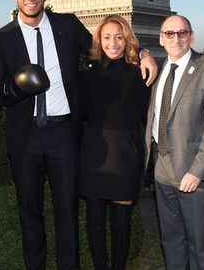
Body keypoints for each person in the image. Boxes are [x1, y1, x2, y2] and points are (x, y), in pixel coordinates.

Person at [0, 0, 158, 269]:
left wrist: (143, 53)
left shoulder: (67, 25)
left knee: (67, 211)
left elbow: (109, 43)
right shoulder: (1, 38)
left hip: (64, 133)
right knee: (30, 211)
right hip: (25, 137)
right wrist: (17, 88)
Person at [144, 15, 204, 270]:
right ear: (161, 38)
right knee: (171, 240)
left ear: (191, 36)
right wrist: (143, 53)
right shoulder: (157, 70)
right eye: (169, 33)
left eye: (182, 33)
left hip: (193, 172)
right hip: (162, 167)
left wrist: (197, 171)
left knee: (198, 244)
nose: (176, 38)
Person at [79, 15, 149, 270]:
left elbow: (147, 115)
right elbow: (80, 114)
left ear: (127, 38)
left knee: (121, 222)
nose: (113, 43)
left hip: (126, 155)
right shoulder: (87, 73)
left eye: (119, 37)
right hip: (94, 154)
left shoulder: (140, 73)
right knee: (95, 221)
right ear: (99, 40)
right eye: (107, 37)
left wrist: (145, 54)